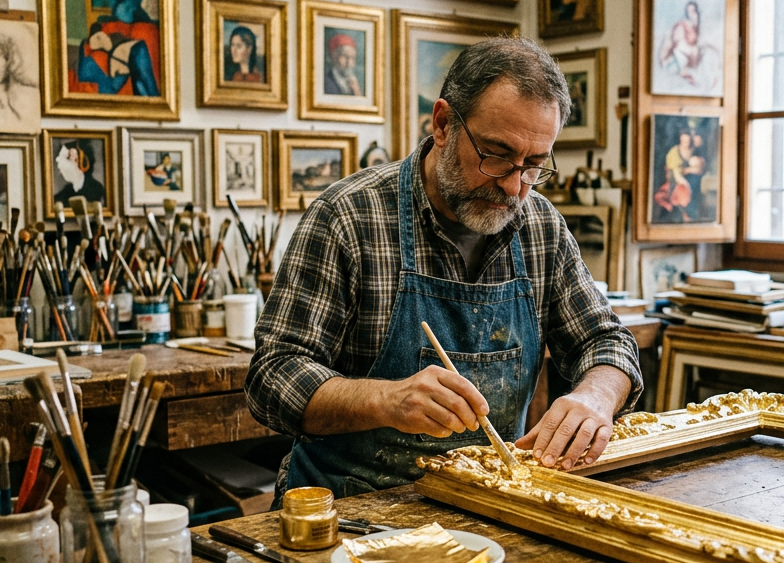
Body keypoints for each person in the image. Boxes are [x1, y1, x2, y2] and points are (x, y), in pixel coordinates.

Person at [247, 37, 642, 500]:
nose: (514, 188)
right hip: (350, 510)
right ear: (442, 124)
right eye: (495, 155)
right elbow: (272, 377)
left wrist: (594, 397)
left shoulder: (540, 226)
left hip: (487, 507)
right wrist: (384, 400)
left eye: (533, 165)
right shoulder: (347, 217)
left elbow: (608, 341)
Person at [53, 140, 106, 205]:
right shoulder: (66, 191)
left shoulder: (96, 189)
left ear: (81, 162)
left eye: (68, 157)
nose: (58, 161)